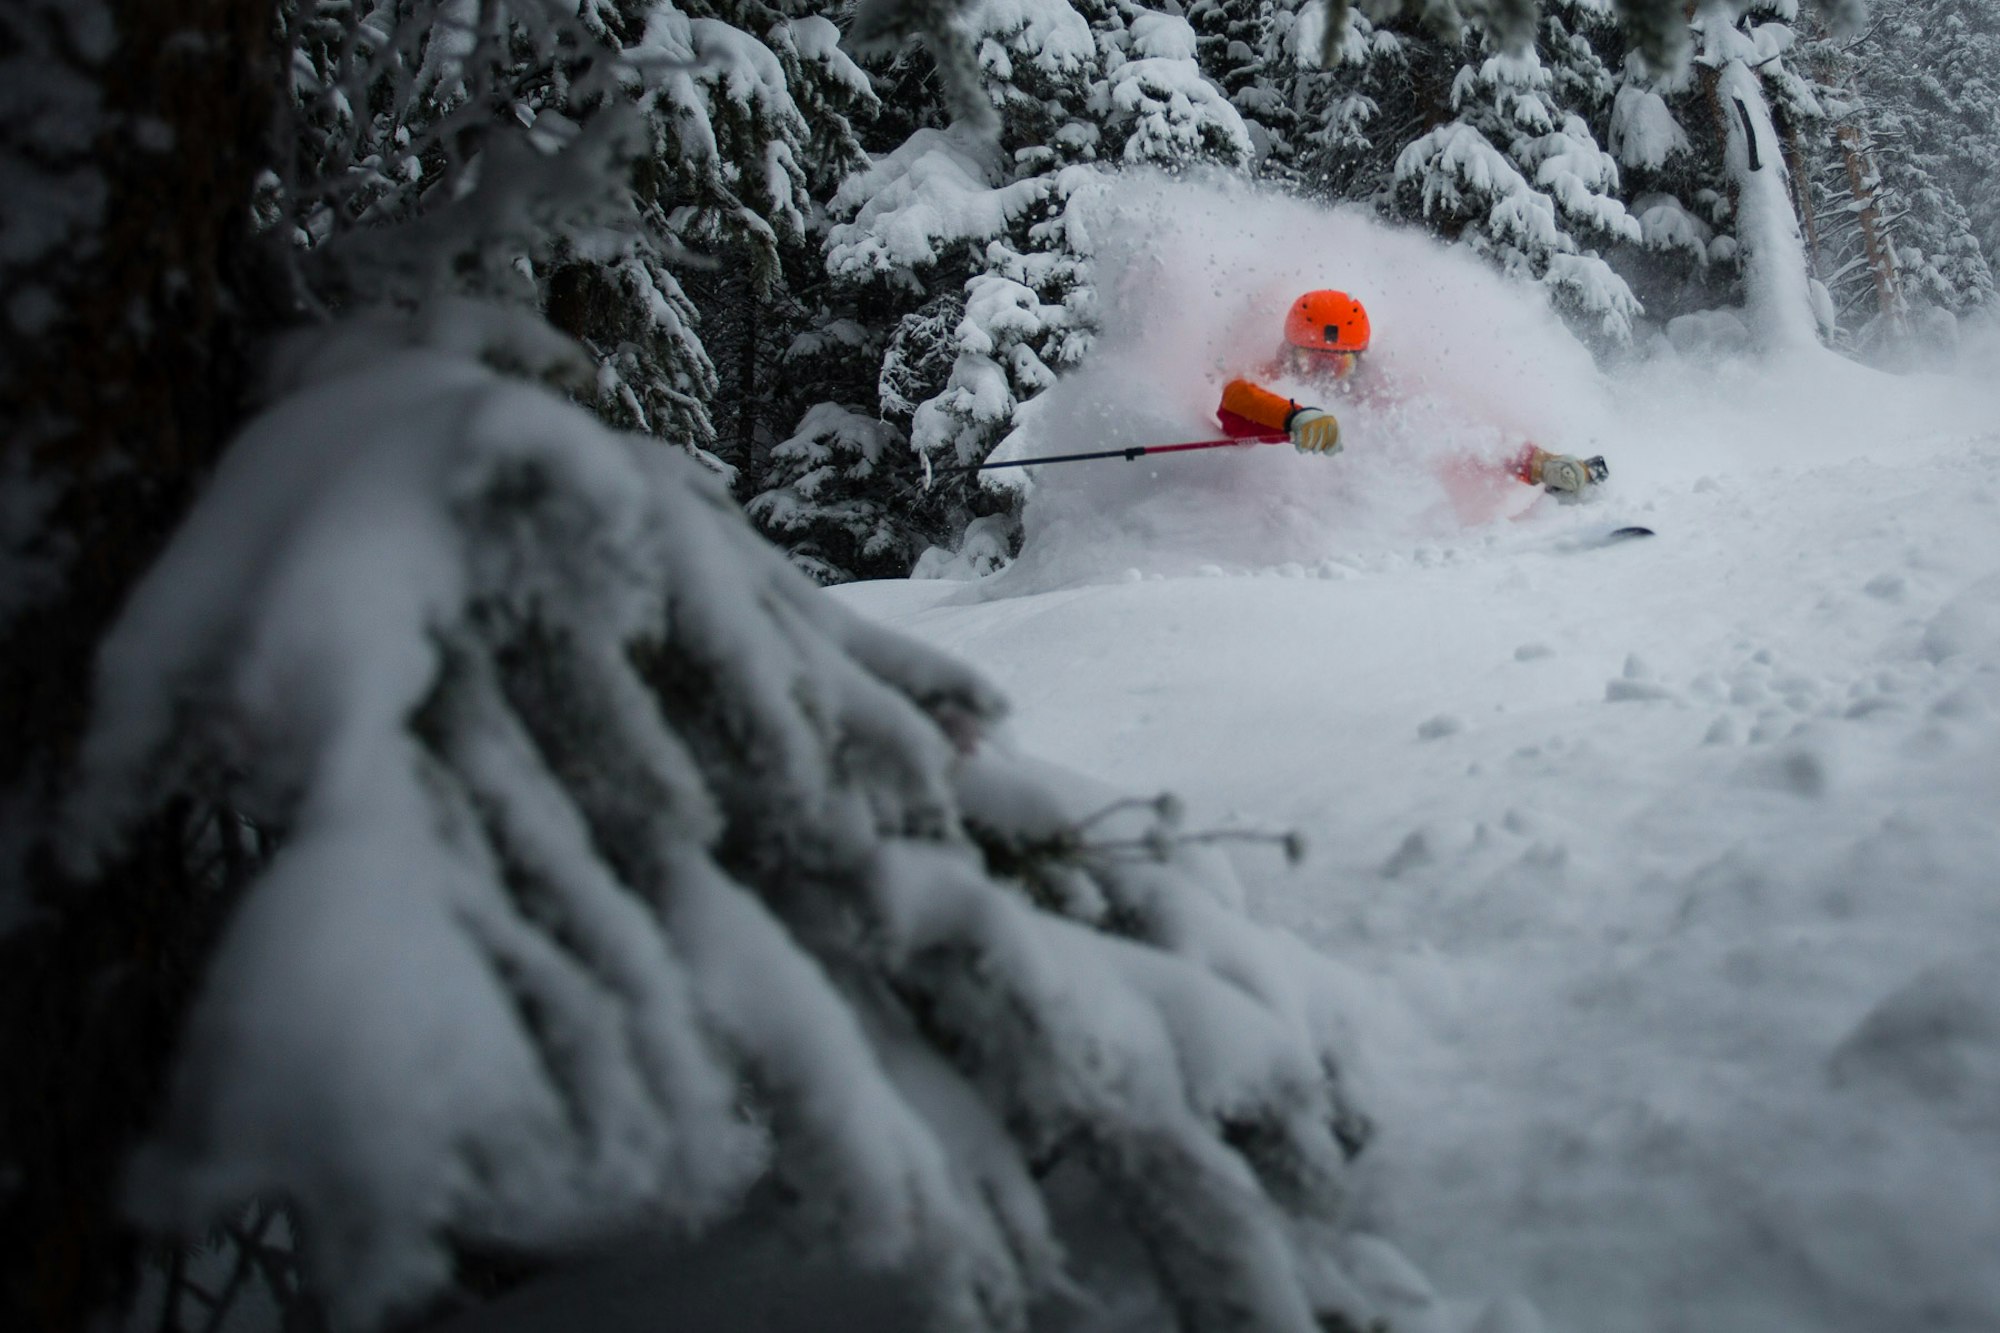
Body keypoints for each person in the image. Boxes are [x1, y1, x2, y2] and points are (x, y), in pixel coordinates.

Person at [1216, 289, 1608, 501]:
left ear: (1359, 360)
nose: (1324, 375)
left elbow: (1465, 434)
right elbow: (1234, 401)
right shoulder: (1270, 378)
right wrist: (1295, 416)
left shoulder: (1379, 390)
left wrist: (1540, 464)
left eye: (1339, 364)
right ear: (1289, 352)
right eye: (1311, 361)